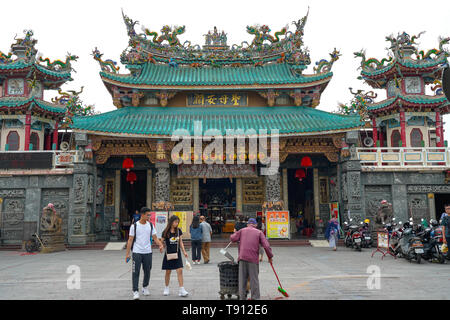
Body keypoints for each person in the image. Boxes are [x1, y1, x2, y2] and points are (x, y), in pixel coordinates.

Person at [125, 207, 164, 300]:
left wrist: (160, 245)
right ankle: (135, 291)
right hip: (137, 252)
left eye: (149, 215)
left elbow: (155, 238)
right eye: (148, 215)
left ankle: (145, 287)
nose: (149, 216)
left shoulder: (150, 225)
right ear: (142, 215)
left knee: (147, 270)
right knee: (136, 271)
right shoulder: (134, 226)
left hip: (148, 252)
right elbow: (130, 240)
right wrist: (127, 254)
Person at [230, 218, 273, 300]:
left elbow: (232, 238)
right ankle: (255, 298)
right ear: (256, 225)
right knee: (254, 280)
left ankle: (242, 297)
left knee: (242, 280)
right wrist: (270, 257)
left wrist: (235, 233)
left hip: (242, 258)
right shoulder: (259, 232)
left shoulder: (242, 230)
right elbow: (266, 246)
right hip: (253, 259)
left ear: (247, 224)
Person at [161, 215, 189, 297]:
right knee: (168, 272)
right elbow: (161, 241)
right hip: (168, 254)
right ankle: (166, 288)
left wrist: (184, 252)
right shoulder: (166, 231)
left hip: (177, 253)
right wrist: (161, 246)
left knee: (180, 270)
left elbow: (181, 242)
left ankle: (181, 289)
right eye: (175, 222)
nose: (177, 224)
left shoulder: (179, 231)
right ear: (171, 222)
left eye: (178, 222)